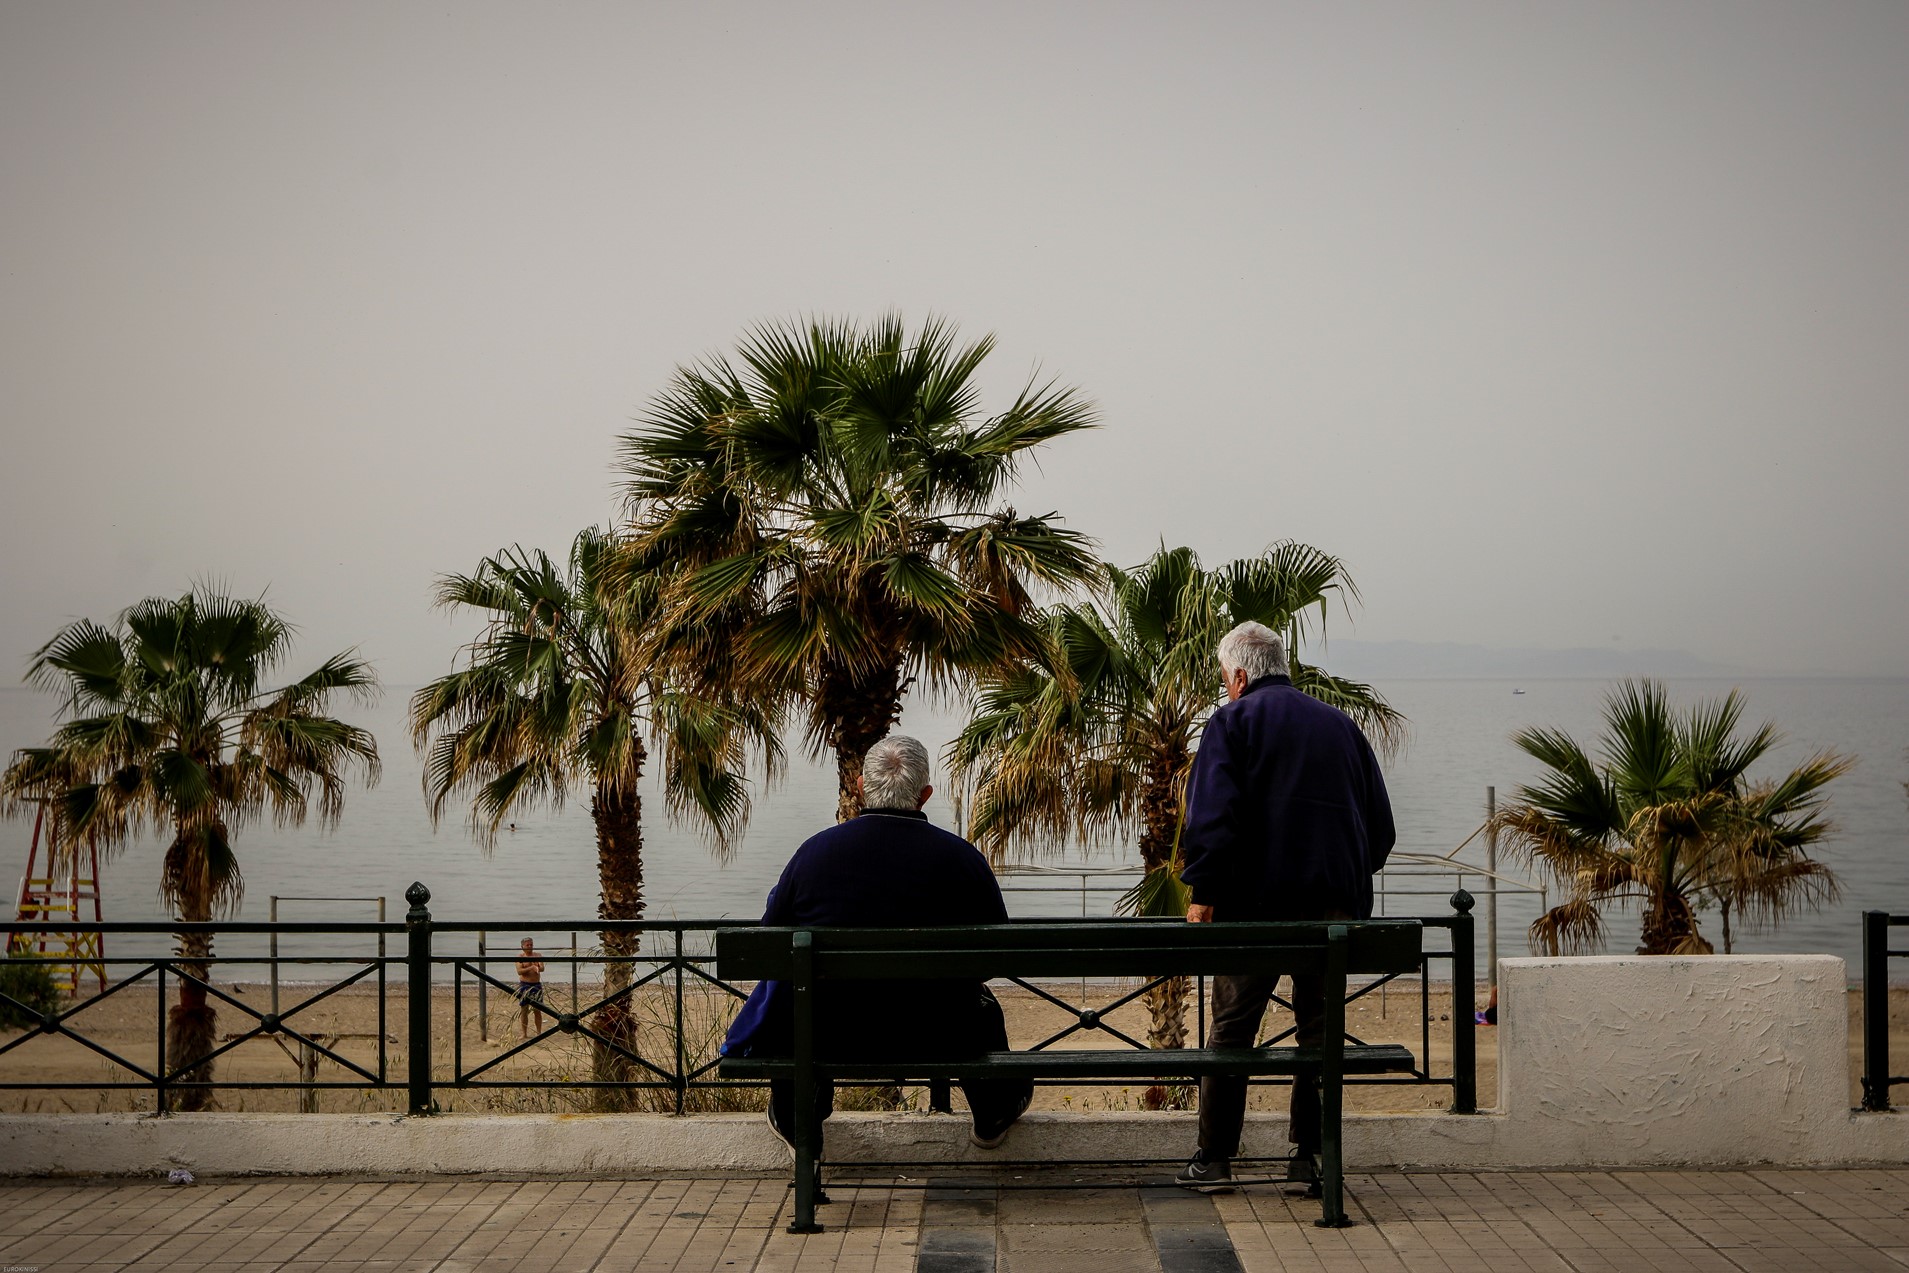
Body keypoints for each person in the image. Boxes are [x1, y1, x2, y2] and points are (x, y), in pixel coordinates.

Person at [722, 735, 1034, 1154]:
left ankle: (800, 1119)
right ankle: (991, 1113)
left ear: (859, 786)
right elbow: (994, 954)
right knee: (979, 1006)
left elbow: (773, 945)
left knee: (797, 1004)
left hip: (830, 1033)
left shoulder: (813, 855)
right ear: (925, 795)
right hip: (942, 1033)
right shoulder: (962, 859)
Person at [1174, 622, 1395, 1193]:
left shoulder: (1232, 721)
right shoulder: (1342, 725)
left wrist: (1204, 893)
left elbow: (1213, 819)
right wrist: (1340, 877)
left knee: (1231, 1028)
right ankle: (1310, 1160)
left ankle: (1215, 1159)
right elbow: (1380, 831)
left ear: (1240, 675)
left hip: (1254, 909)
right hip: (1335, 911)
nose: (1226, 689)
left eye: (1226, 679)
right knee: (1320, 1033)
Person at [515, 937, 547, 1039]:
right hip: (525, 984)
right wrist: (531, 967)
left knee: (537, 1009)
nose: (530, 947)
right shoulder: (520, 957)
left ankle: (539, 1032)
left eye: (531, 945)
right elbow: (519, 971)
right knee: (524, 1009)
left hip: (536, 984)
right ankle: (524, 1033)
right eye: (528, 945)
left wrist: (537, 967)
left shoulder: (537, 955)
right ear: (522, 947)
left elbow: (542, 968)